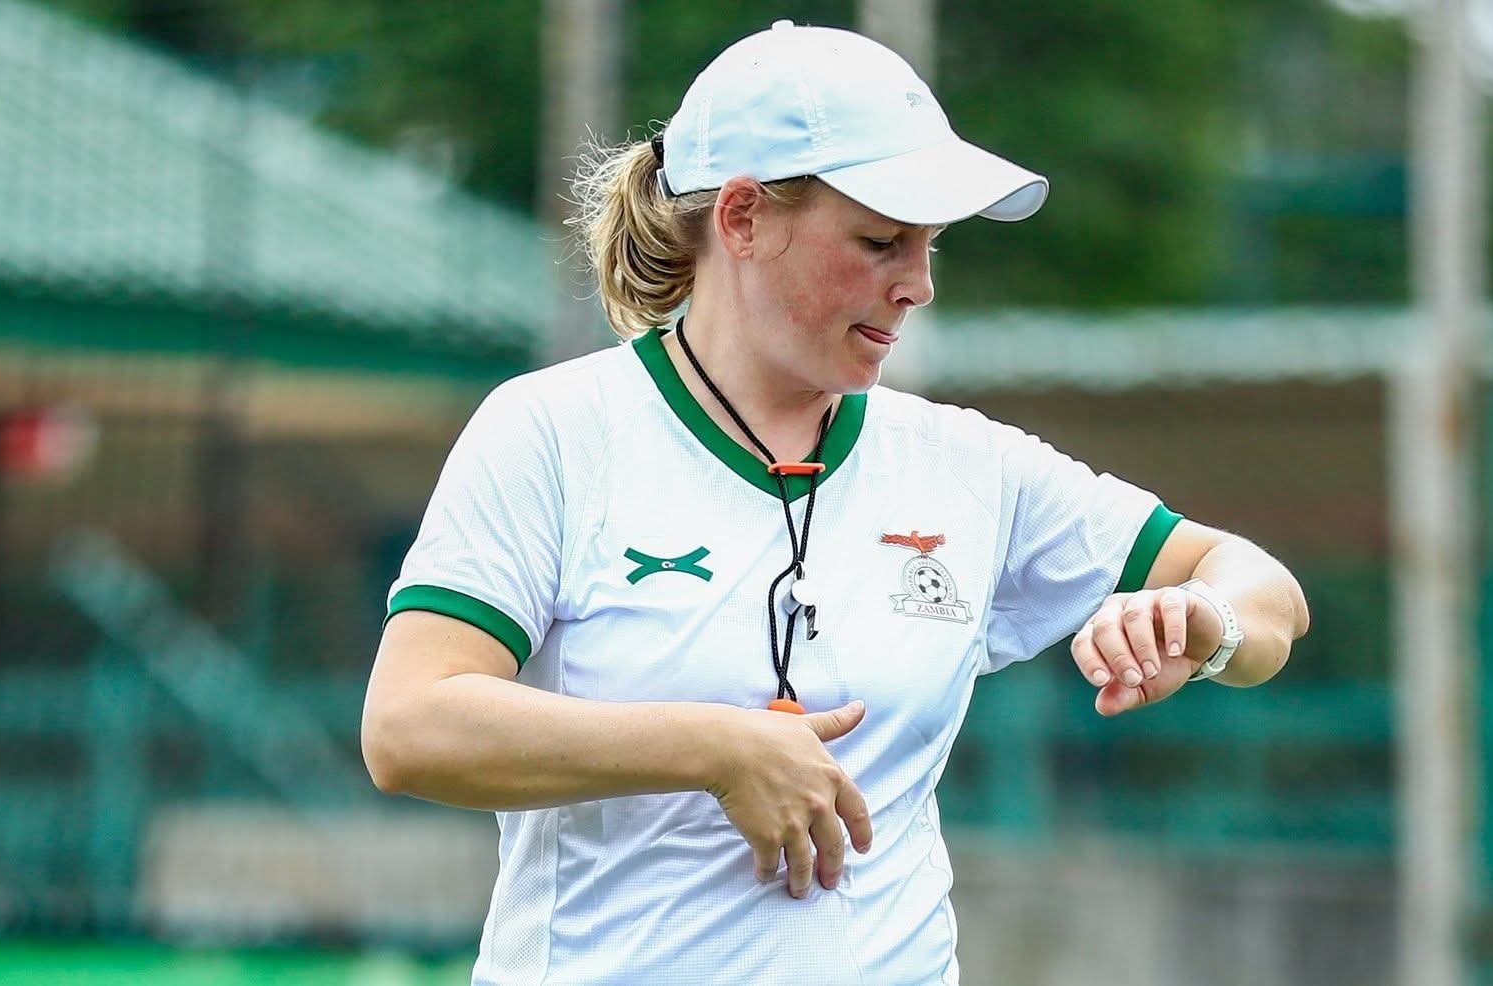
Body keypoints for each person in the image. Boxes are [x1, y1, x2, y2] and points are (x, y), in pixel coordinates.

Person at [361, 19, 1309, 985]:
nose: (919, 285)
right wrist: (713, 747)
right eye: (880, 242)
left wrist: (1207, 620)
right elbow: (409, 728)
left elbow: (1267, 594)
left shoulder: (967, 463)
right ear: (741, 218)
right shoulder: (555, 430)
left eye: (930, 247)